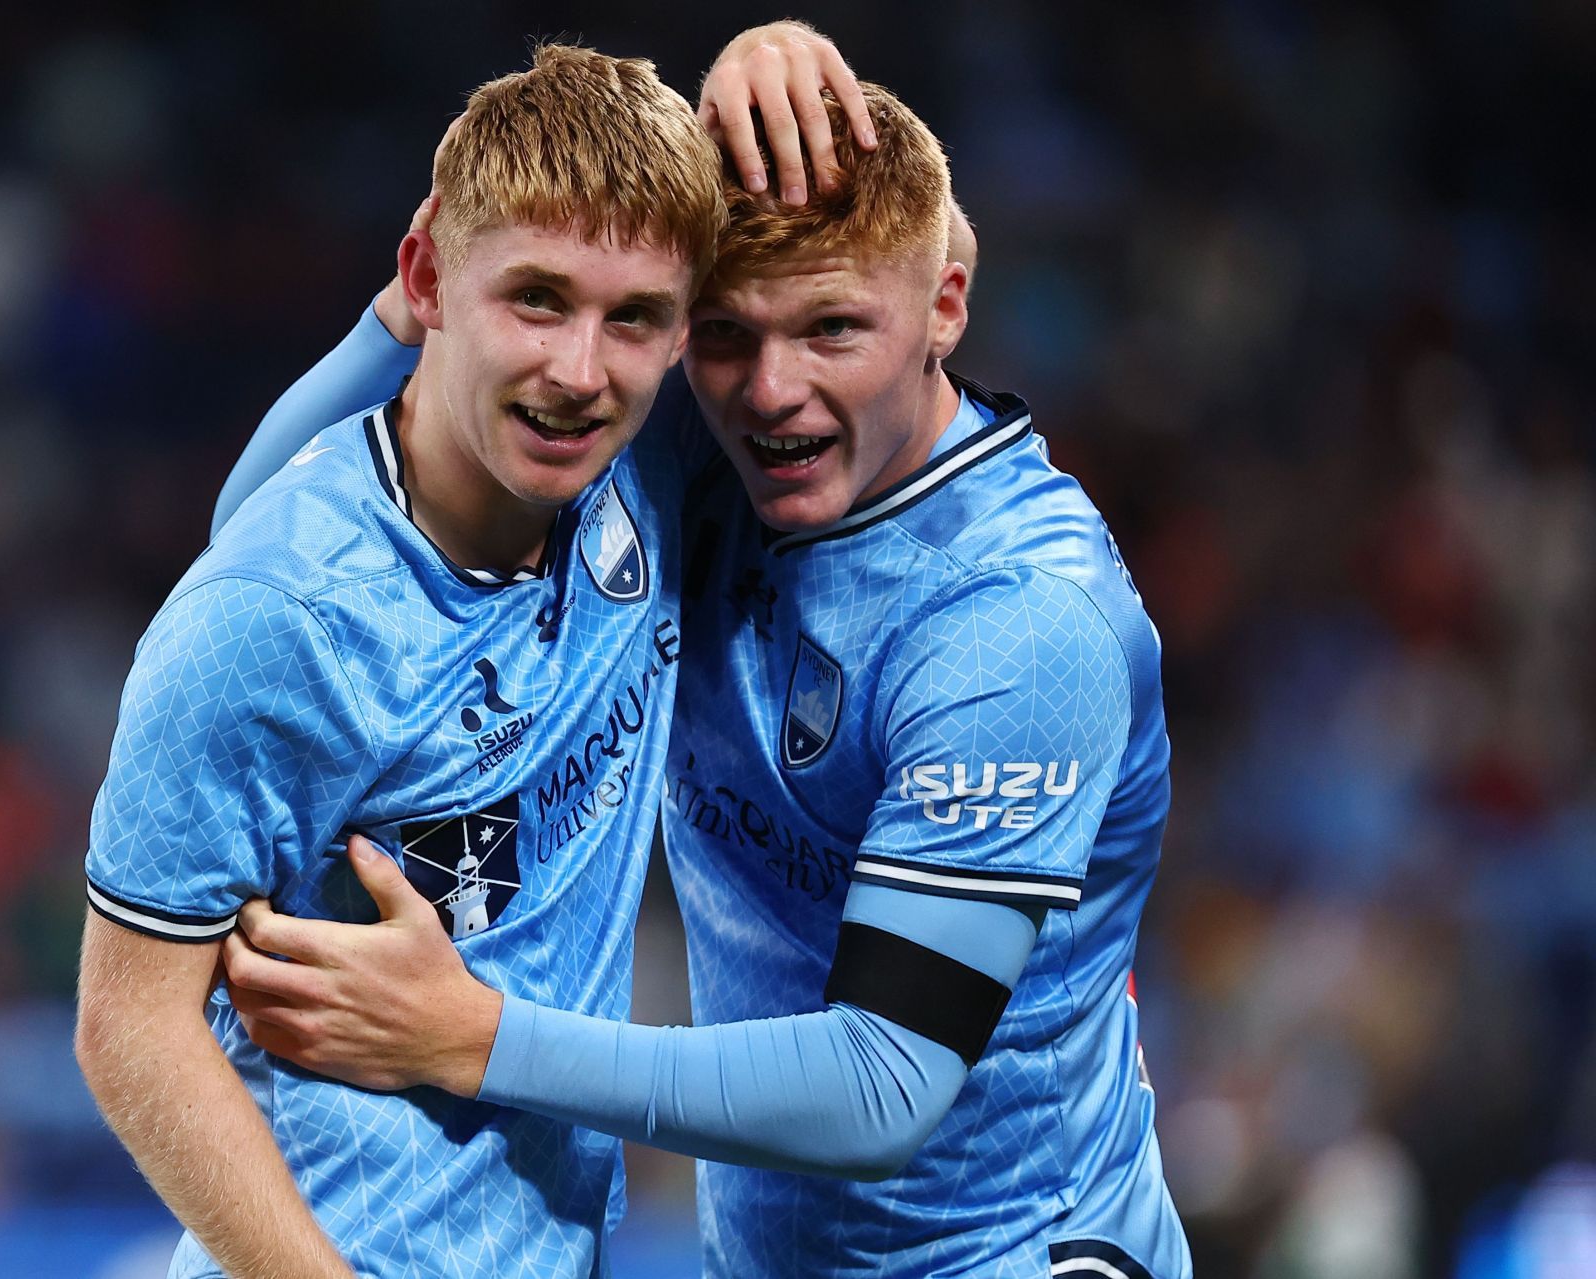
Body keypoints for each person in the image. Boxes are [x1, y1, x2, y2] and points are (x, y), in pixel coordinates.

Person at [214, 22, 1193, 1279]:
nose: (771, 389)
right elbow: (264, 544)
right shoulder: (697, 447)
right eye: (725, 333)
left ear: (945, 304)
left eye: (834, 328)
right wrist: (417, 301)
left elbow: (882, 1083)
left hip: (1011, 1251)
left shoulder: (1018, 621)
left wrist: (473, 1037)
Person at [74, 43, 724, 1279]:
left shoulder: (643, 465)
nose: (580, 372)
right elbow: (128, 1026)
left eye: (630, 317)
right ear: (429, 276)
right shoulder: (272, 616)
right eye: (534, 297)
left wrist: (772, 49)